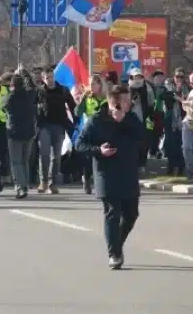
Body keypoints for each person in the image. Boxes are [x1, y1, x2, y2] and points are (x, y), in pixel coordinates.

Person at [76, 84, 143, 270]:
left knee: (131, 214)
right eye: (125, 100)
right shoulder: (96, 120)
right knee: (112, 213)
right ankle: (114, 254)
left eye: (129, 100)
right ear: (115, 102)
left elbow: (141, 134)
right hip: (106, 173)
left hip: (128, 172)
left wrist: (125, 121)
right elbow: (79, 144)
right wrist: (99, 150)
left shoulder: (131, 118)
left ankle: (117, 244)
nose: (129, 103)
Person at [36, 67, 76, 194]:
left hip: (59, 126)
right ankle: (43, 182)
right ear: (43, 79)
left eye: (52, 76)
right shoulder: (39, 91)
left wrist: (76, 121)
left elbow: (73, 106)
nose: (50, 80)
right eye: (47, 78)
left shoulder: (63, 90)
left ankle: (53, 183)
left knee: (56, 156)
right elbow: (31, 107)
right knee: (44, 153)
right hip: (44, 126)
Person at [2, 68, 37, 199]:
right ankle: (24, 186)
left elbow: (3, 106)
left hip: (14, 133)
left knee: (16, 162)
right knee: (24, 161)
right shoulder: (29, 94)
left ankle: (21, 187)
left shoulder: (10, 97)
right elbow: (32, 85)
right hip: (28, 132)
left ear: (12, 85)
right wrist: (24, 72)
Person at [75, 75, 107, 194]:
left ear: (100, 85)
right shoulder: (87, 98)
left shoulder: (105, 98)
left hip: (102, 130)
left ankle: (99, 180)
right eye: (90, 84)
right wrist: (81, 101)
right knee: (88, 157)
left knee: (100, 156)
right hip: (89, 129)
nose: (92, 86)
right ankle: (86, 180)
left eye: (94, 84)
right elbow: (77, 113)